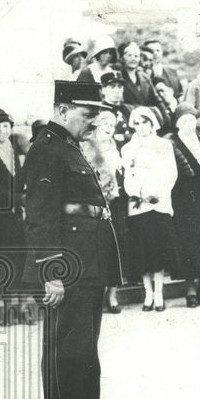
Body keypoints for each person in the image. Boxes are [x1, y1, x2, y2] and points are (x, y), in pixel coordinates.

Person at [22, 81, 122, 399]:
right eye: (87, 114)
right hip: (67, 266)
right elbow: (41, 217)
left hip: (87, 261)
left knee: (85, 341)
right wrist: (51, 274)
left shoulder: (70, 147)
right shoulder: (47, 150)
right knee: (66, 343)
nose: (92, 122)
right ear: (62, 110)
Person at [0, 108, 35, 324]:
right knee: (5, 259)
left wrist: (25, 198)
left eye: (5, 126)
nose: (3, 131)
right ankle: (9, 307)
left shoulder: (18, 148)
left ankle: (23, 306)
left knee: (24, 257)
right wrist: (14, 200)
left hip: (23, 213)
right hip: (2, 214)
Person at [121, 106, 179, 311]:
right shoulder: (128, 149)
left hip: (160, 202)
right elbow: (128, 177)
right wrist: (140, 192)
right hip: (139, 203)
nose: (141, 127)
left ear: (152, 122)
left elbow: (171, 173)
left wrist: (159, 194)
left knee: (159, 250)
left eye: (145, 122)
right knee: (142, 251)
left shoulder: (164, 145)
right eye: (137, 123)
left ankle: (159, 293)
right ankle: (148, 293)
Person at [167, 103, 200, 307]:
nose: (189, 123)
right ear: (178, 123)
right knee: (188, 244)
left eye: (192, 119)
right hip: (184, 199)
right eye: (185, 120)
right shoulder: (172, 143)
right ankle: (190, 290)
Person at [79, 106, 128, 315]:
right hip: (96, 204)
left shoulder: (114, 145)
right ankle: (97, 296)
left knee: (114, 248)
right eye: (104, 124)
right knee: (98, 249)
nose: (108, 128)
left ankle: (112, 294)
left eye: (111, 124)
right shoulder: (88, 147)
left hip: (115, 202)